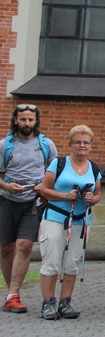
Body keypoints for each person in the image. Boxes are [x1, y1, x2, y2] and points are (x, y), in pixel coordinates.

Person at [38, 125, 101, 320]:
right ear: (71, 145)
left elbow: (98, 194)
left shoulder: (94, 168)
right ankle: (48, 302)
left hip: (81, 220)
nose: (82, 146)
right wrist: (65, 195)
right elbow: (43, 189)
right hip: (56, 217)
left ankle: (65, 301)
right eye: (78, 142)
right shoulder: (58, 164)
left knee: (72, 262)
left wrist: (91, 198)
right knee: (52, 259)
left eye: (86, 142)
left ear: (90, 146)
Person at [0, 104, 58, 314]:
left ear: (36, 121)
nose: (27, 123)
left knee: (24, 246)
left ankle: (13, 294)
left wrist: (43, 186)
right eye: (23, 119)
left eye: (30, 120)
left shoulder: (46, 145)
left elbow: (54, 172)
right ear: (15, 121)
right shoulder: (4, 145)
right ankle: (11, 293)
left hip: (34, 201)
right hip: (7, 200)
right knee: (6, 247)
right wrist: (7, 186)